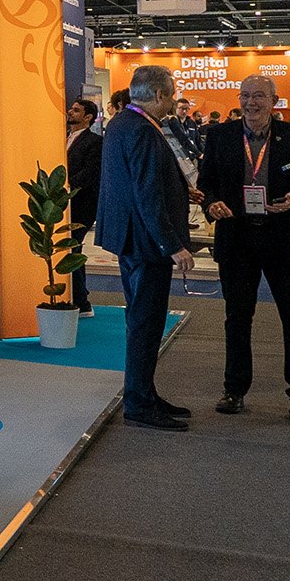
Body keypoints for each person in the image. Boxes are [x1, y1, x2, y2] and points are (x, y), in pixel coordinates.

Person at [201, 76, 290, 421]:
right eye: (245, 96)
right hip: (237, 238)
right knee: (237, 318)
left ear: (274, 101)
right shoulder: (222, 135)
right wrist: (212, 203)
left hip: (282, 237)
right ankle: (234, 389)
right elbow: (206, 182)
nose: (251, 103)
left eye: (259, 96)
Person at [96, 64, 197, 430]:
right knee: (145, 323)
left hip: (134, 239)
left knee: (144, 321)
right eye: (171, 94)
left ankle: (144, 392)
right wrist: (171, 244)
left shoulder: (125, 122)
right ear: (158, 95)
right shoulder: (139, 128)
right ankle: (139, 403)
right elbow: (146, 192)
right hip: (145, 243)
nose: (173, 100)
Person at [66, 98, 103, 317]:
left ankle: (82, 301)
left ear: (88, 117)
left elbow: (89, 174)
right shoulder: (67, 138)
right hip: (65, 204)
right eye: (72, 108)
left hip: (82, 204)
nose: (71, 112)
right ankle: (78, 298)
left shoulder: (95, 142)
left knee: (73, 248)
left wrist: (67, 187)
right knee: (71, 249)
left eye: (76, 110)